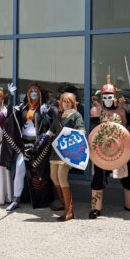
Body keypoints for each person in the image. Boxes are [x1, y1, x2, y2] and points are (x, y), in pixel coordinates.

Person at [89, 75, 130, 219]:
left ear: (115, 96)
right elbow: (94, 129)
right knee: (99, 177)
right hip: (102, 150)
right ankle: (95, 208)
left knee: (128, 176)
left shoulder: (122, 110)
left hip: (121, 148)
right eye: (105, 96)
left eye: (110, 96)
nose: (107, 99)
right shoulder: (97, 111)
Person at [0, 83, 54, 211]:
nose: (34, 93)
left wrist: (46, 114)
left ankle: (42, 200)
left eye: (36, 91)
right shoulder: (22, 107)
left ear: (39, 93)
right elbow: (10, 114)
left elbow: (50, 124)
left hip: (38, 145)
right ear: (28, 94)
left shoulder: (43, 108)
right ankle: (16, 199)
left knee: (40, 172)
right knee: (19, 170)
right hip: (24, 144)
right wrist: (12, 97)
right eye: (31, 91)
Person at [47, 92, 85, 221]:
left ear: (73, 103)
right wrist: (44, 137)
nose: (66, 103)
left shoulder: (76, 115)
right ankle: (63, 203)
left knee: (62, 177)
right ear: (61, 102)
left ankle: (69, 211)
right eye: (64, 101)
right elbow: (51, 130)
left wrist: (76, 134)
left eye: (68, 101)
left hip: (68, 152)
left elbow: (81, 131)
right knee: (53, 177)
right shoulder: (58, 115)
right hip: (55, 151)